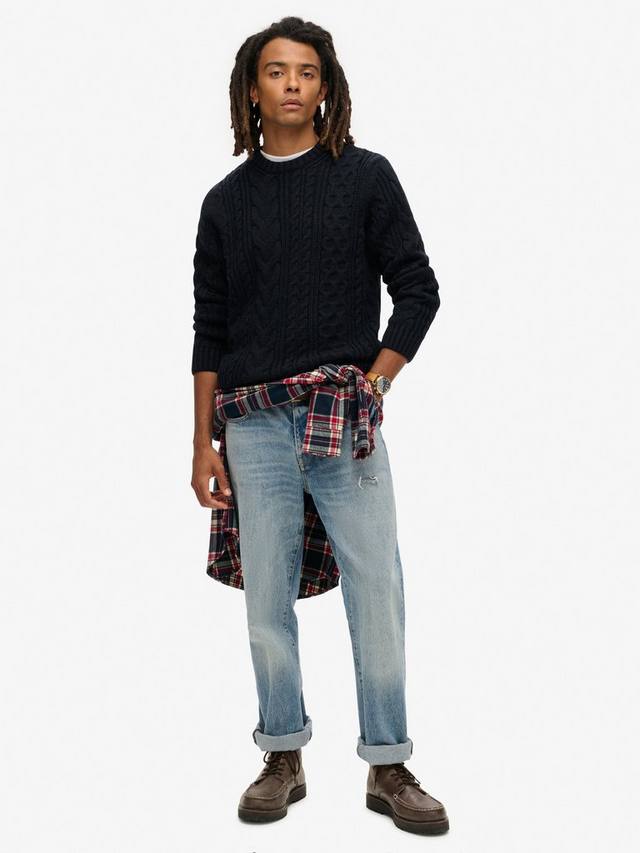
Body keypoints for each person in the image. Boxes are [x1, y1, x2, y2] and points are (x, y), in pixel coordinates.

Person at [190, 16, 449, 836]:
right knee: (267, 595)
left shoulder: (365, 178)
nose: (293, 83)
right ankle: (282, 752)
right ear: (251, 89)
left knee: (377, 589)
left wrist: (374, 383)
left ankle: (388, 763)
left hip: (344, 414)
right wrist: (201, 443)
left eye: (307, 71)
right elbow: (209, 328)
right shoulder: (224, 204)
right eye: (276, 71)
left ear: (326, 86)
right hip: (252, 424)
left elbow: (418, 288)